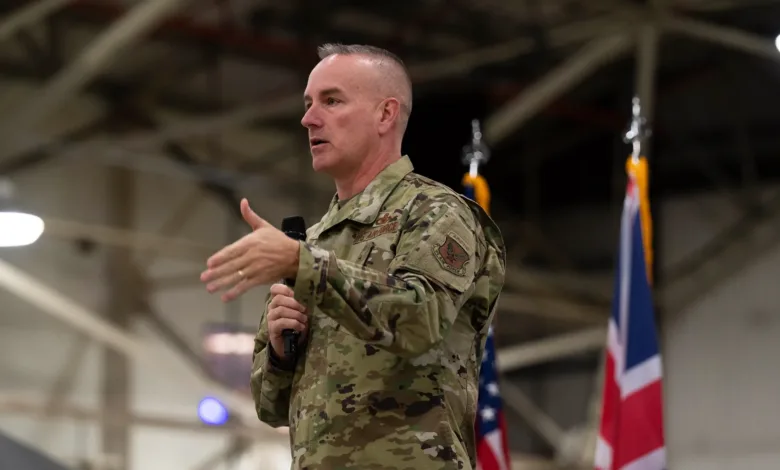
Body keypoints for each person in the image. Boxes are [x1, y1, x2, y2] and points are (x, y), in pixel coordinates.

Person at [200, 43, 506, 470]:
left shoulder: (437, 212)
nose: (309, 118)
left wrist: (303, 265)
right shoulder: (311, 242)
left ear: (385, 114)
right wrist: (280, 351)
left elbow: (421, 319)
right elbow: (271, 406)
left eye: (331, 100)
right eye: (308, 104)